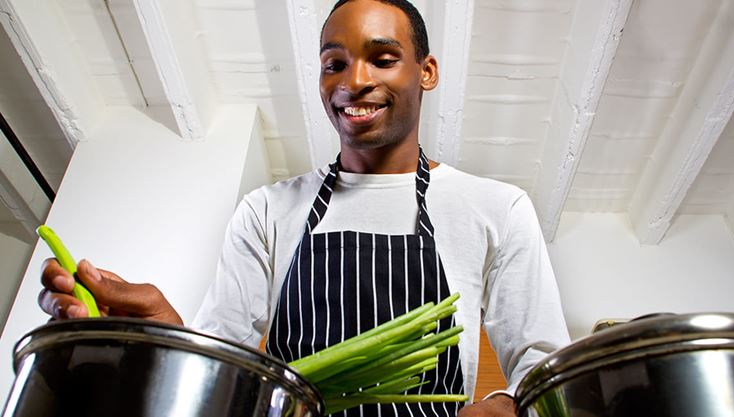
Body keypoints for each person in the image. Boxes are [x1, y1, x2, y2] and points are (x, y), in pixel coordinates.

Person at [38, 0, 570, 416]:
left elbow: (544, 365)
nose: (352, 80)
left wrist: (504, 404)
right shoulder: (265, 211)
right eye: (333, 64)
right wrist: (157, 341)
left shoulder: (496, 209)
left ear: (426, 71)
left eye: (382, 58)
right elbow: (224, 366)